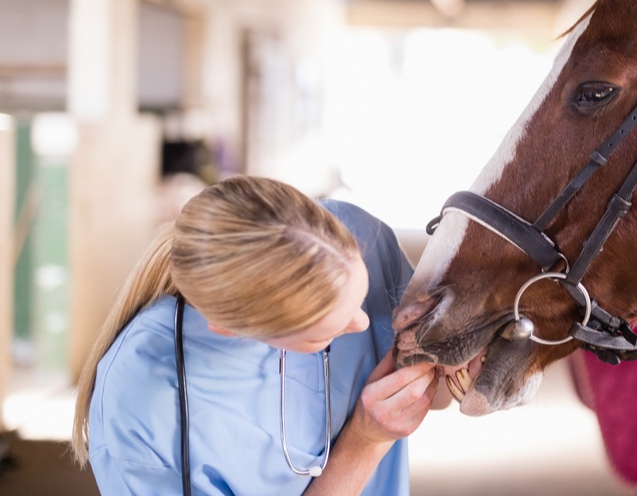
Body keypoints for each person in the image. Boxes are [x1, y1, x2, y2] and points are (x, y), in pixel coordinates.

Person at [70, 174, 439, 495]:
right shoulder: (139, 404)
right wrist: (365, 442)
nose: (361, 324)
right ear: (231, 329)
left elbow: (437, 395)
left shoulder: (362, 232)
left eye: (361, 294)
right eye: (321, 334)